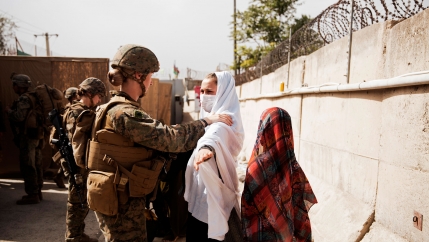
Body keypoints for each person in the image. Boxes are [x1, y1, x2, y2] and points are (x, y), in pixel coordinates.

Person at [87, 44, 233, 242]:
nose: (151, 82)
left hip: (114, 193)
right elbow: (171, 139)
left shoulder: (109, 108)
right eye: (150, 76)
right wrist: (206, 121)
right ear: (138, 76)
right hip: (121, 199)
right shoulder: (125, 113)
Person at [241, 107, 318, 242]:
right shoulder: (293, 167)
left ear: (264, 129)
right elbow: (300, 213)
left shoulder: (256, 167)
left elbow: (248, 211)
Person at [184, 71, 244, 241]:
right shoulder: (210, 120)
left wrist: (205, 148)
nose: (204, 96)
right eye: (202, 91)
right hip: (200, 199)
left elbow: (215, 136)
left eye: (209, 92)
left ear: (224, 92)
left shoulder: (225, 122)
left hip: (210, 204)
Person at [61, 78, 106, 242]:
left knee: (79, 201)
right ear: (89, 93)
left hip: (73, 162)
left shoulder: (71, 109)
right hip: (79, 165)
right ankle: (73, 237)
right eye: (98, 96)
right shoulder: (83, 113)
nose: (99, 100)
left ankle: (77, 234)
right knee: (77, 201)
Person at [6, 73, 44, 205]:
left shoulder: (24, 99)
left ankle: (32, 194)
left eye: (15, 85)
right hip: (38, 134)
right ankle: (38, 190)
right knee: (37, 163)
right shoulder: (35, 96)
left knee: (28, 164)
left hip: (28, 136)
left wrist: (9, 112)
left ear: (19, 86)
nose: (13, 87)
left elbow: (19, 117)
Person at [53, 87, 80, 189]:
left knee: (67, 160)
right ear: (72, 97)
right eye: (76, 95)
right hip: (68, 138)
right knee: (68, 161)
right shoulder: (69, 109)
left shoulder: (72, 108)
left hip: (70, 139)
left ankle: (58, 176)